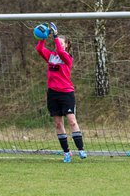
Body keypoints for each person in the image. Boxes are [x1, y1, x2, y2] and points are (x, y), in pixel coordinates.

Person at [35, 22, 87, 163]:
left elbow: (60, 50)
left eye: (63, 44)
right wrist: (43, 36)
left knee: (71, 120)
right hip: (53, 94)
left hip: (66, 93)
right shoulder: (51, 56)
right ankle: (66, 152)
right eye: (59, 43)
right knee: (58, 124)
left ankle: (81, 149)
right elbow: (39, 49)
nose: (60, 45)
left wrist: (56, 36)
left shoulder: (67, 58)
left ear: (66, 45)